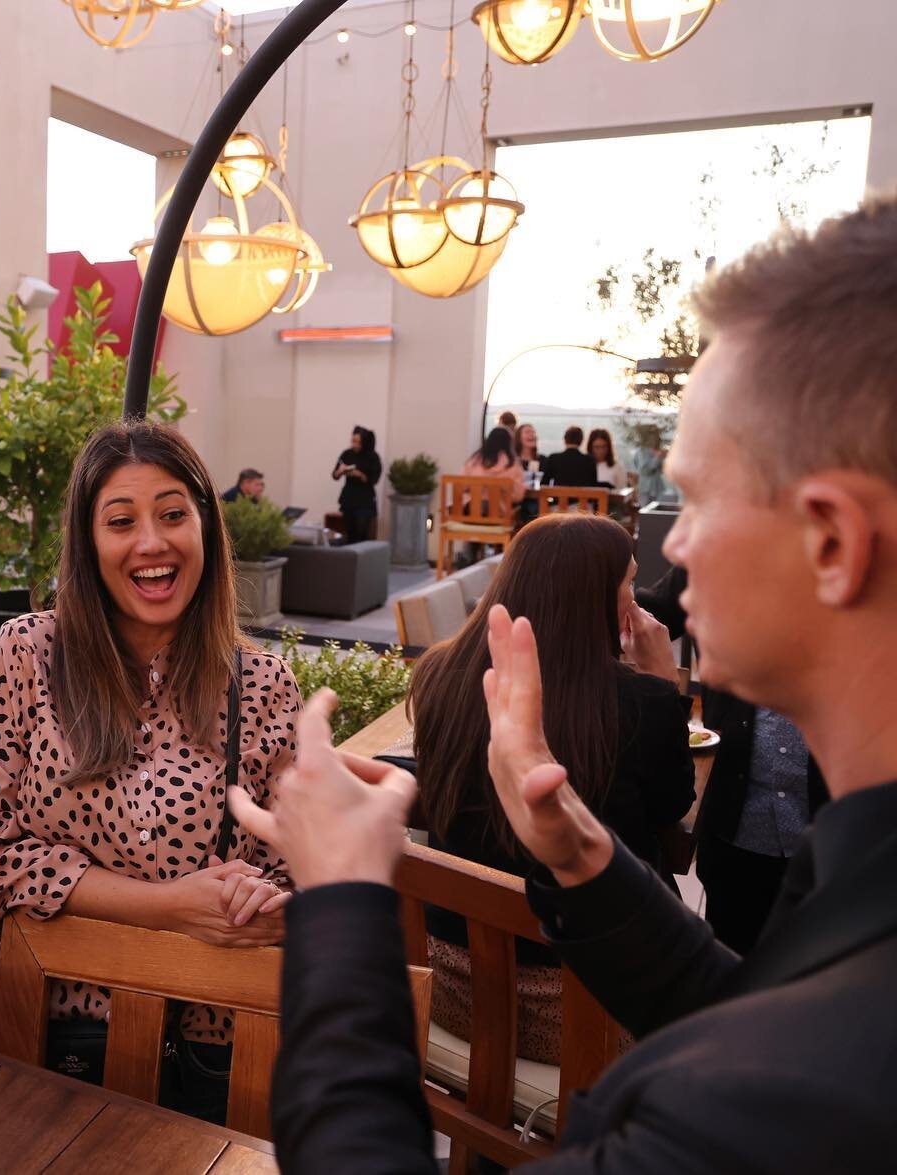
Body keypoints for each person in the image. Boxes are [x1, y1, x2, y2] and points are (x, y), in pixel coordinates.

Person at [233, 193, 897, 1172]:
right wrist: (580, 850)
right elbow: (745, 1013)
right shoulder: (855, 880)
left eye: (697, 499)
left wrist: (340, 901)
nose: (673, 565)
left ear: (833, 541)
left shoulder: (799, 1107)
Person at [0, 419, 301, 1121]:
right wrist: (174, 906)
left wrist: (262, 906)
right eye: (121, 520)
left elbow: (295, 880)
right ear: (89, 544)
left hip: (220, 1050)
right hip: (60, 1034)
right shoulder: (29, 654)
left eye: (173, 514)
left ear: (206, 530)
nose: (152, 542)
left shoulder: (264, 682)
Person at [408, 513, 692, 1063]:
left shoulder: (440, 675)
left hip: (451, 983)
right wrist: (663, 683)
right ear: (593, 597)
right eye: (629, 582)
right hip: (586, 1007)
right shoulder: (637, 704)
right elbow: (673, 806)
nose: (636, 598)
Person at [639, 565, 829, 954]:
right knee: (733, 959)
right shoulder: (716, 557)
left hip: (833, 836)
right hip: (737, 824)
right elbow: (648, 614)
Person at [331, 426, 382, 543]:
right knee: (349, 532)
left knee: (362, 533)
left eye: (358, 442)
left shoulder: (373, 457)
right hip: (349, 497)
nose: (354, 444)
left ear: (364, 443)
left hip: (365, 499)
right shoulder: (346, 454)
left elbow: (374, 480)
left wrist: (360, 475)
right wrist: (340, 471)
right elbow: (335, 475)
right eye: (353, 441)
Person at [460, 426, 526, 500]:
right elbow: (518, 496)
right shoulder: (513, 464)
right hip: (499, 509)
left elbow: (461, 486)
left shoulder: (474, 461)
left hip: (469, 507)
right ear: (509, 444)